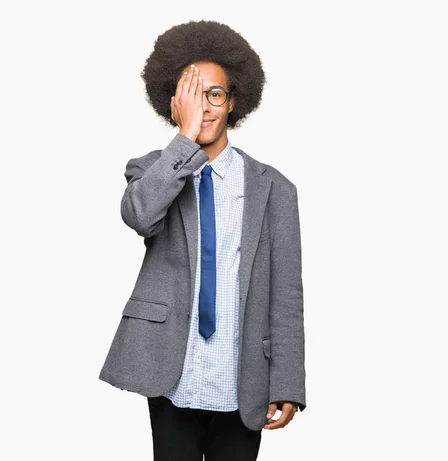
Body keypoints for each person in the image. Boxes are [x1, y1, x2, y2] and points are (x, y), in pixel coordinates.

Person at [98, 19, 306, 461]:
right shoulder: (152, 169)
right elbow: (139, 215)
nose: (206, 107)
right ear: (173, 102)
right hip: (172, 370)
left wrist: (287, 380)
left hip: (243, 374)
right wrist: (184, 138)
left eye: (215, 95)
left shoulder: (275, 188)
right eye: (194, 95)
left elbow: (286, 294)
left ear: (234, 102)